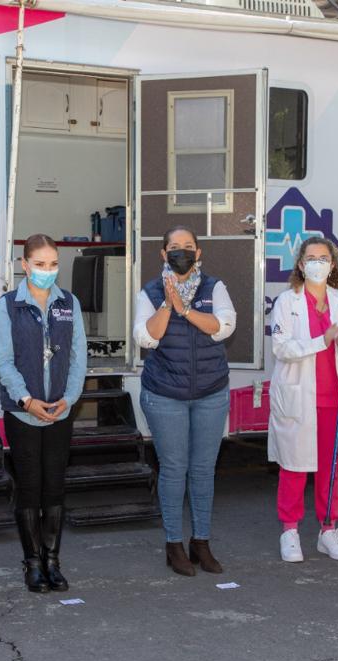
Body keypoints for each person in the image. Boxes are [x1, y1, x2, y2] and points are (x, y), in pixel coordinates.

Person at [134, 226, 236, 577]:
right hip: (165, 395)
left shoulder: (214, 287)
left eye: (188, 247)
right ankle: (174, 545)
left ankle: (202, 543)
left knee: (204, 470)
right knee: (175, 469)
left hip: (210, 392)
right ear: (163, 254)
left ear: (199, 252)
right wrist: (168, 302)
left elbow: (223, 327)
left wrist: (186, 309)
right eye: (174, 248)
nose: (182, 252)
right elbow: (147, 337)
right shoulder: (149, 291)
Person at [0, 234, 87, 593]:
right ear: (24, 265)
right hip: (24, 414)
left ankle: (53, 561)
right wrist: (26, 400)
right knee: (30, 487)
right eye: (40, 264)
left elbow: (79, 356)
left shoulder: (69, 304)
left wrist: (70, 398)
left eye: (53, 265)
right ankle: (32, 564)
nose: (47, 271)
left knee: (55, 488)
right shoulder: (8, 305)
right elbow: (3, 360)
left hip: (61, 411)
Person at [268, 237, 338, 563]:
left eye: (323, 258)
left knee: (330, 467)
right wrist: (321, 340)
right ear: (300, 264)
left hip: (332, 396)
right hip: (298, 396)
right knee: (294, 466)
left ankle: (328, 530)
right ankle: (290, 530)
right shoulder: (286, 301)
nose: (317, 263)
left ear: (333, 264)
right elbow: (282, 348)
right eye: (311, 258)